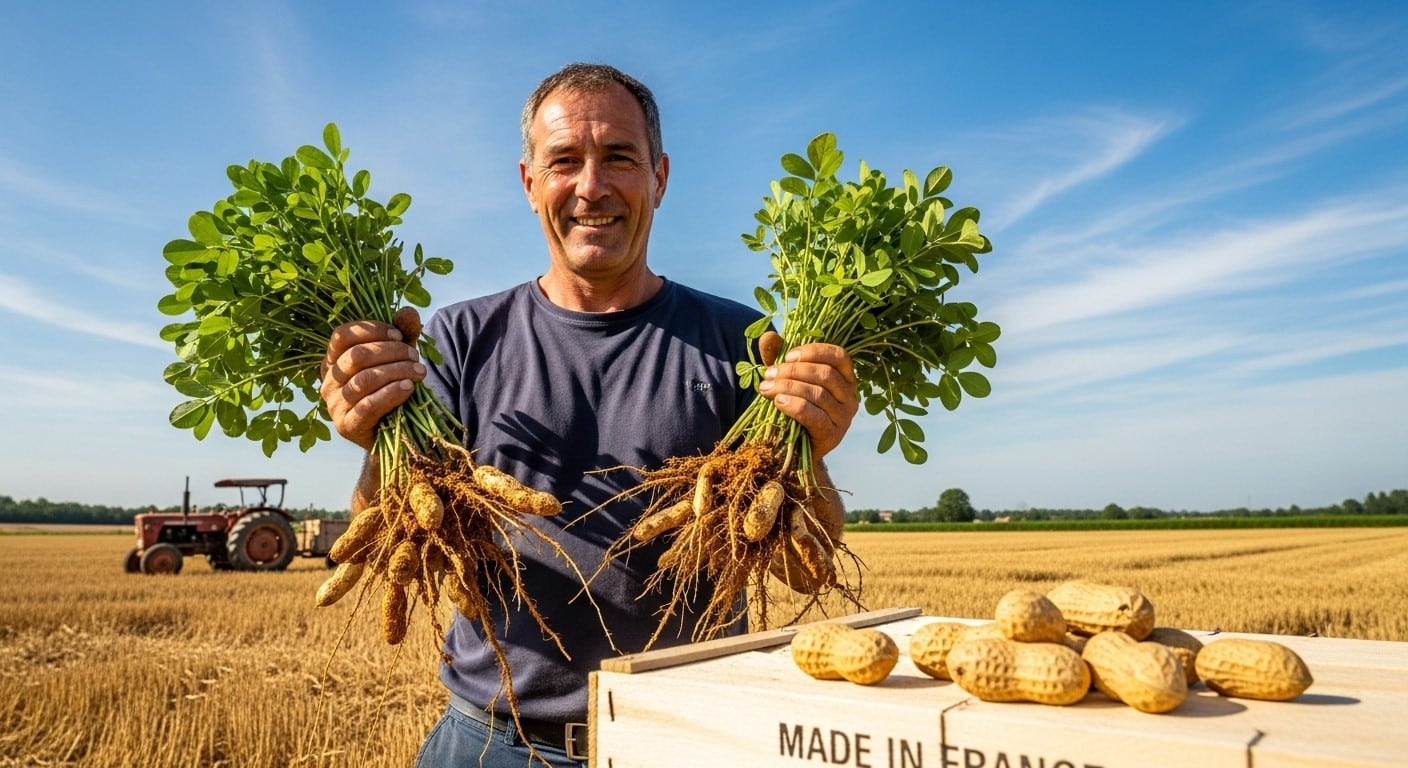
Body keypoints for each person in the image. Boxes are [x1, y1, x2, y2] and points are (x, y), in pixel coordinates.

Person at [320, 62, 859, 767]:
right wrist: (373, 434)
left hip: (690, 743)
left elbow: (809, 570)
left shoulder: (744, 342)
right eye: (564, 161)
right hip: (493, 745)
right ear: (529, 183)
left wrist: (813, 449)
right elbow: (390, 526)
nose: (592, 187)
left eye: (619, 159)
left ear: (659, 178)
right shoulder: (454, 342)